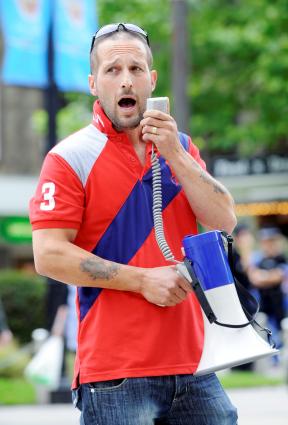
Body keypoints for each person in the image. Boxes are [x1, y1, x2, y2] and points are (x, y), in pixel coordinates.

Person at [29, 23, 237, 425]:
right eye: (112, 70)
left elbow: (223, 218)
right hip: (116, 373)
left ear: (152, 80)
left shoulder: (180, 147)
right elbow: (48, 254)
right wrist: (142, 280)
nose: (126, 80)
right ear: (93, 83)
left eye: (136, 69)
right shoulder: (69, 157)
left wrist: (175, 153)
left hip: (195, 362)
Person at [249, 227, 287, 348]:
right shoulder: (258, 259)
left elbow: (279, 276)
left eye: (271, 241)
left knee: (281, 331)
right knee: (266, 331)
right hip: (263, 302)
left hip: (280, 302)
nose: (269, 245)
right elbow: (254, 279)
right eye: (266, 241)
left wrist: (264, 276)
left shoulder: (281, 258)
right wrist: (269, 276)